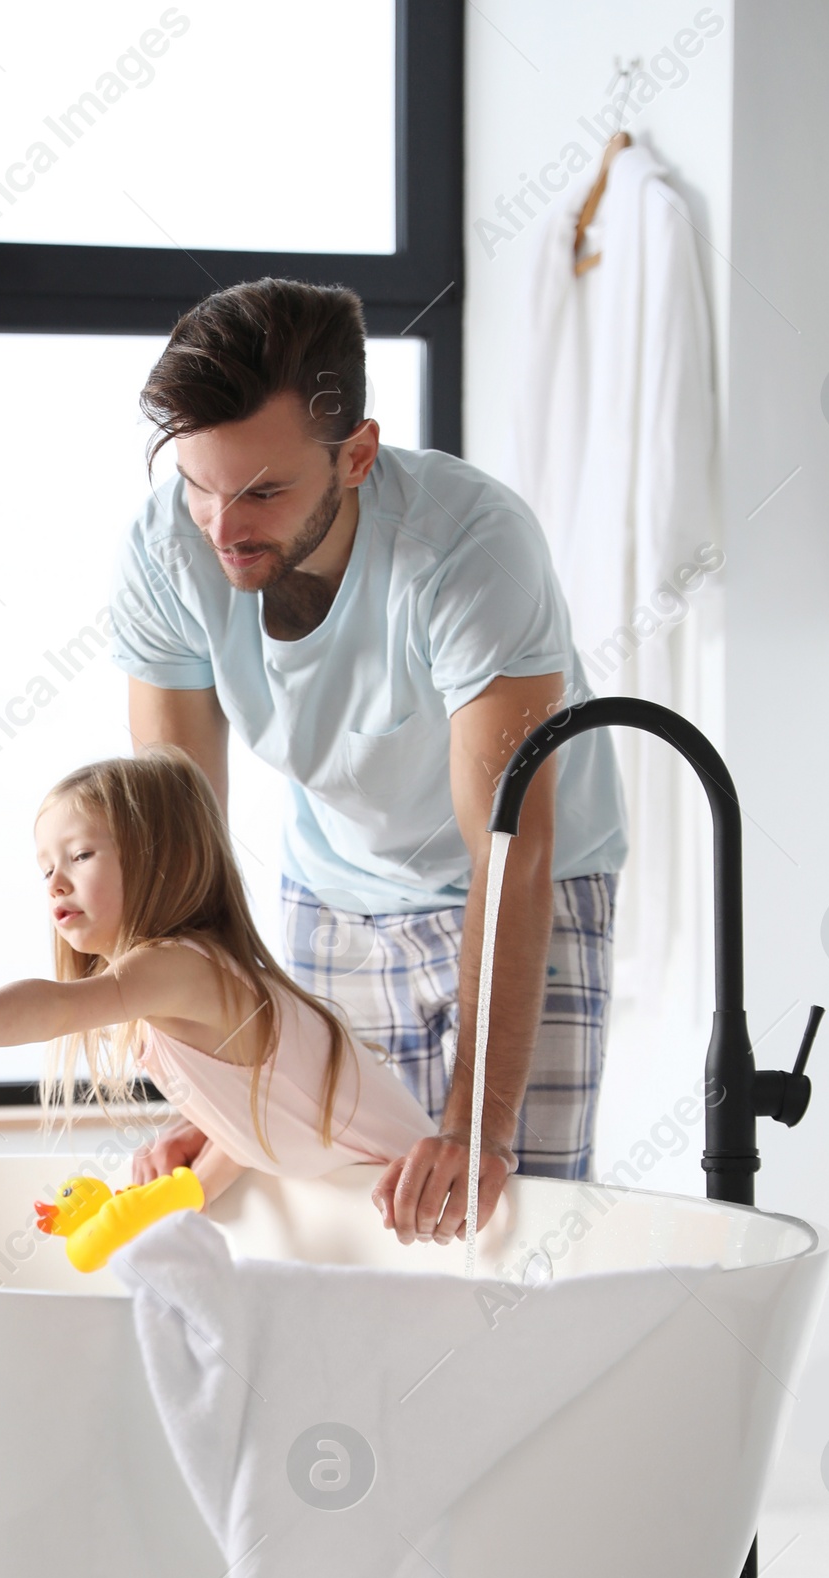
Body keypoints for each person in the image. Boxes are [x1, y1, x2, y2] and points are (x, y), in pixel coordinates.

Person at [110, 277, 627, 1242]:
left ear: (356, 455)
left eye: (263, 491)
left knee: (507, 1222)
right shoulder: (167, 549)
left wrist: (481, 1128)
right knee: (338, 1219)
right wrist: (219, 1092)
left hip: (524, 883)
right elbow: (180, 843)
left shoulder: (471, 551)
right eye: (199, 485)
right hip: (336, 887)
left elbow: (508, 855)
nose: (223, 528)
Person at [0, 747, 433, 1199]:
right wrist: (196, 1189)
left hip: (416, 1197)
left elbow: (56, 1005)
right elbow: (270, 1113)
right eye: (46, 867)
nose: (56, 881)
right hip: (382, 1199)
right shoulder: (177, 993)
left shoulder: (180, 968)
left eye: (80, 855)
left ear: (167, 861)